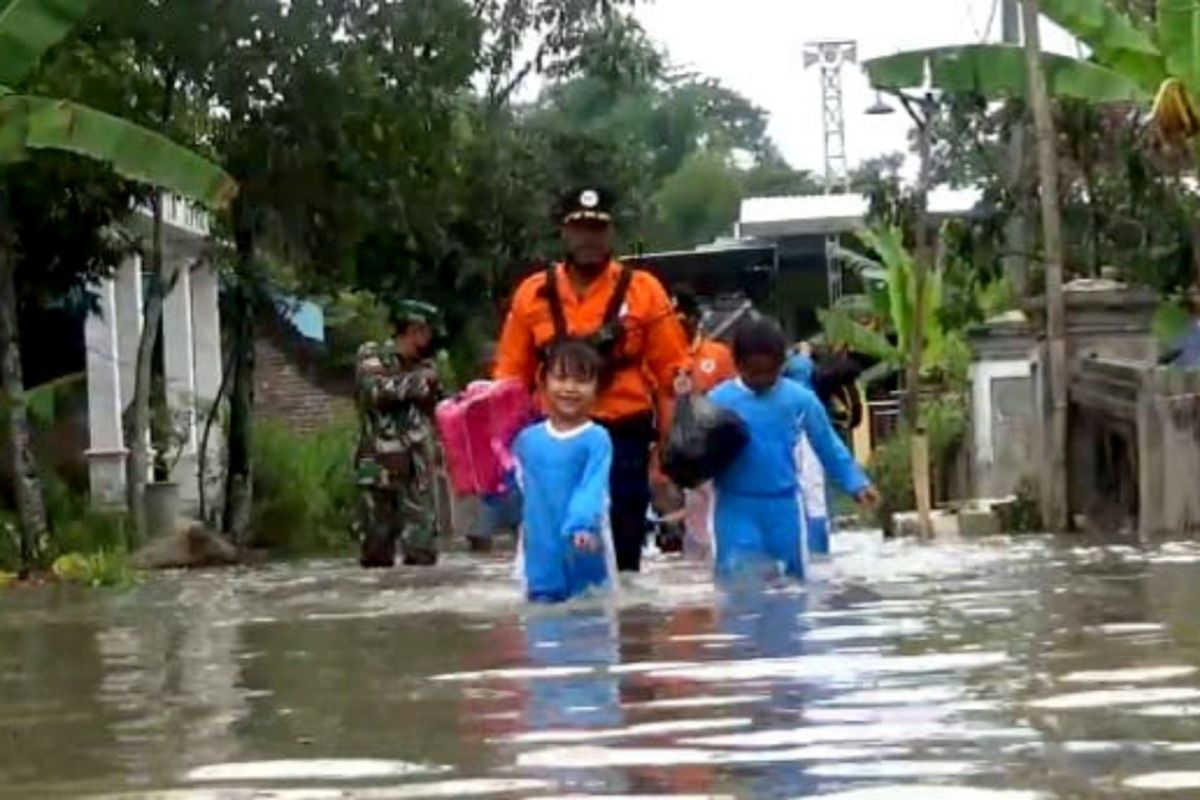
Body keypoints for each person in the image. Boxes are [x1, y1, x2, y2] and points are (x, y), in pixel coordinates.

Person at [495, 185, 691, 573]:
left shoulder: (644, 291)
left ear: (611, 233)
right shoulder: (532, 294)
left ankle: (627, 629)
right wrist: (502, 452)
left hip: (625, 435)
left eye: (597, 229)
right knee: (554, 538)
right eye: (580, 228)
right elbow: (509, 379)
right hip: (554, 436)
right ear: (564, 233)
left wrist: (668, 457)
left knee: (624, 547)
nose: (588, 238)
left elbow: (673, 376)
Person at [707, 318, 879, 580]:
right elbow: (695, 451)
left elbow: (827, 443)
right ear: (738, 364)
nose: (763, 380)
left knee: (791, 583)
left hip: (785, 506)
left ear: (782, 364)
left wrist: (855, 482)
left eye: (771, 372)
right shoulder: (718, 401)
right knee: (737, 582)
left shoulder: (800, 399)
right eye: (755, 373)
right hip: (734, 507)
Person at [512, 341, 616, 603]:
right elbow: (515, 487)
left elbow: (592, 486)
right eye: (560, 378)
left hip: (585, 544)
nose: (569, 388)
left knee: (590, 615)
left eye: (581, 381)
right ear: (543, 381)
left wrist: (582, 525)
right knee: (540, 625)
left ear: (598, 389)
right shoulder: (526, 440)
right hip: (538, 551)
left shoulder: (596, 438)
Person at [354, 300, 444, 568]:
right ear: (415, 330)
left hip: (416, 471)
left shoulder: (427, 365)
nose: (430, 339)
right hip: (378, 468)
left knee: (422, 553)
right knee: (376, 554)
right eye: (426, 332)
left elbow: (436, 409)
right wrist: (420, 381)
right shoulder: (373, 355)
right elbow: (374, 391)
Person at [783, 345, 831, 557]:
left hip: (790, 437)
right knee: (814, 495)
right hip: (807, 437)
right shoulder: (807, 394)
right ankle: (818, 549)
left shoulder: (782, 387)